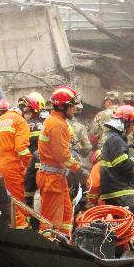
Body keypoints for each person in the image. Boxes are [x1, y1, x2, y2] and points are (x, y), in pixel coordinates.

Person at [37, 86, 82, 235]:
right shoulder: (57, 124)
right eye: (72, 106)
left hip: (57, 176)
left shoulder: (56, 121)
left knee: (66, 215)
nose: (74, 109)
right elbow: (61, 155)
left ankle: (63, 244)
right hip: (51, 178)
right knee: (50, 221)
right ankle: (48, 249)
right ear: (62, 106)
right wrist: (79, 170)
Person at [0, 95, 36, 228]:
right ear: (26, 110)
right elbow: (21, 149)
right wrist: (32, 167)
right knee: (19, 205)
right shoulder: (20, 122)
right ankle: (23, 234)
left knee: (3, 204)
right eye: (31, 113)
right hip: (11, 168)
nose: (31, 118)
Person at [99, 105, 134, 214]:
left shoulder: (111, 136)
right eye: (132, 124)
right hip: (120, 190)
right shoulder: (116, 139)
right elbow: (122, 164)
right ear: (124, 121)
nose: (132, 128)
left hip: (112, 189)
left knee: (118, 221)